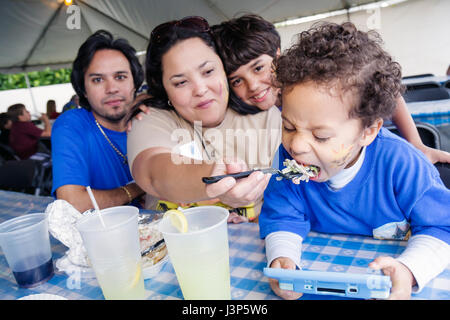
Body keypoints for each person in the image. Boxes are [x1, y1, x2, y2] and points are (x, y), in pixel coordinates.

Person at [259, 22, 450, 300]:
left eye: (321, 136)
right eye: (288, 127)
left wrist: (409, 270)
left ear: (368, 131)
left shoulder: (401, 165)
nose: (297, 146)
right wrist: (284, 260)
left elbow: (442, 226)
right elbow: (282, 216)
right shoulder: (288, 160)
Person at [212, 14, 450, 164]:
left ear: (277, 54)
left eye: (258, 68)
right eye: (236, 81)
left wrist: (416, 144)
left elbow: (385, 87)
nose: (253, 86)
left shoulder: (309, 80)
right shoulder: (245, 118)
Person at [127, 16, 279, 222]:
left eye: (208, 71)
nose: (200, 89)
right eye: (181, 82)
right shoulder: (151, 118)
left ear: (224, 69)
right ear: (163, 88)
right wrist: (213, 178)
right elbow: (153, 173)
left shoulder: (265, 115)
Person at [51, 30, 145, 213]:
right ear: (83, 89)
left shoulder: (150, 119)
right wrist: (138, 188)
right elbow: (72, 204)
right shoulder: (72, 125)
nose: (111, 88)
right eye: (98, 79)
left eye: (120, 77)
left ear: (135, 82)